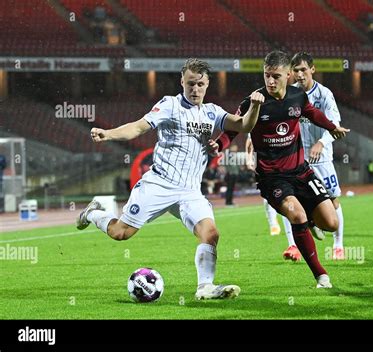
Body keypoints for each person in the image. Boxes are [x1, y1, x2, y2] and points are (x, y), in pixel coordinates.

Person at [76, 58, 265, 300]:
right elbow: (138, 127)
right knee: (121, 233)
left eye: (200, 84)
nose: (195, 89)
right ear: (182, 82)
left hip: (190, 191)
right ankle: (92, 213)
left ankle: (205, 287)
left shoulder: (212, 112)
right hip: (160, 183)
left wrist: (255, 107)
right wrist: (108, 134)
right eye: (190, 84)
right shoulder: (169, 105)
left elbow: (244, 125)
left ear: (208, 84)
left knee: (211, 234)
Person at [213, 51, 350, 289]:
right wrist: (219, 144)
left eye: (276, 76)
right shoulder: (253, 101)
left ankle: (310, 224)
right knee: (296, 214)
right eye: (267, 75)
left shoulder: (298, 96)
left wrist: (332, 127)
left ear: (288, 75)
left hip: (301, 172)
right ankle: (321, 276)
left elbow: (313, 113)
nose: (270, 81)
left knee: (332, 223)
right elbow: (233, 128)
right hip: (272, 178)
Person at [291, 52, 346, 260]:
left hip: (321, 159)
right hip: (298, 158)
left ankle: (338, 245)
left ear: (312, 69)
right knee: (295, 200)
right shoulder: (291, 94)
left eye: (303, 69)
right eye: (295, 70)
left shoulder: (324, 95)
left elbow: (334, 124)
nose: (299, 74)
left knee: (333, 200)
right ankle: (306, 230)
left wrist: (321, 143)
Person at [245, 135, 302, 261]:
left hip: (289, 162)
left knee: (292, 200)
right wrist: (249, 158)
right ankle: (277, 228)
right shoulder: (259, 117)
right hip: (266, 164)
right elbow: (250, 139)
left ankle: (311, 225)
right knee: (280, 198)